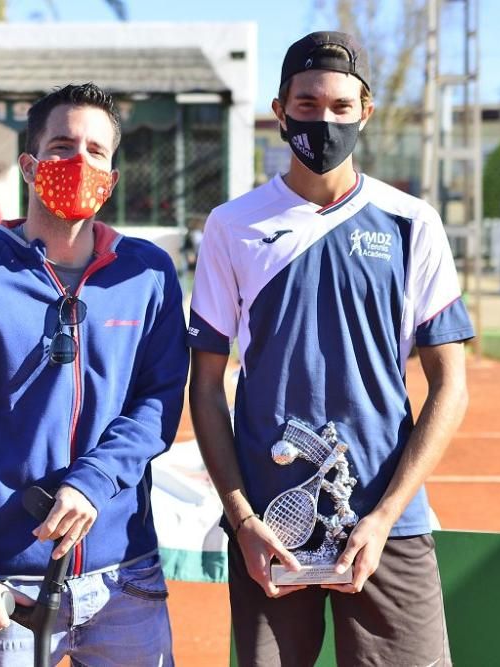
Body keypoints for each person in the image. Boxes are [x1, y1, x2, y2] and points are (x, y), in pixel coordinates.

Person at [187, 32, 473, 666]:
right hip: (272, 528)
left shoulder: (411, 222)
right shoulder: (233, 226)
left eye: (342, 107)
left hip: (385, 521)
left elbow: (450, 384)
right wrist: (242, 519)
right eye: (308, 104)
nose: (325, 120)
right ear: (280, 110)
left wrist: (385, 513)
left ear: (365, 111)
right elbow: (205, 386)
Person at [0, 82, 188, 667]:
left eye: (96, 151)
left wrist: (93, 479)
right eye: (62, 146)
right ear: (30, 165)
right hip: (5, 589)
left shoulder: (150, 276)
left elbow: (159, 401)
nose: (79, 161)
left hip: (126, 578)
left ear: (111, 177)